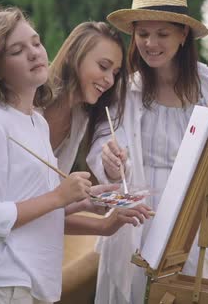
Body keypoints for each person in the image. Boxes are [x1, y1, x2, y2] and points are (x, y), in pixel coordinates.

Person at [0, 7, 148, 304]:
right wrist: (63, 199)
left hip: (23, 261)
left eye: (36, 43)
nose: (108, 79)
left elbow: (38, 200)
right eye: (103, 66)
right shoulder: (3, 119)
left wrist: (92, 206)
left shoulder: (43, 121)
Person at [87, 0, 208, 304]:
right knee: (137, 288)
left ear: (183, 35)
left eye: (162, 34)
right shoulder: (125, 88)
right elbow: (107, 139)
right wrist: (110, 160)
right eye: (143, 34)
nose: (150, 44)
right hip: (138, 214)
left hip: (193, 213)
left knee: (190, 290)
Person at [43, 21, 151, 234]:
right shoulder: (31, 104)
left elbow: (43, 211)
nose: (110, 80)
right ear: (75, 56)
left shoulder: (80, 116)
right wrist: (102, 224)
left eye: (116, 72)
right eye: (103, 66)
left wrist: (88, 200)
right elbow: (14, 208)